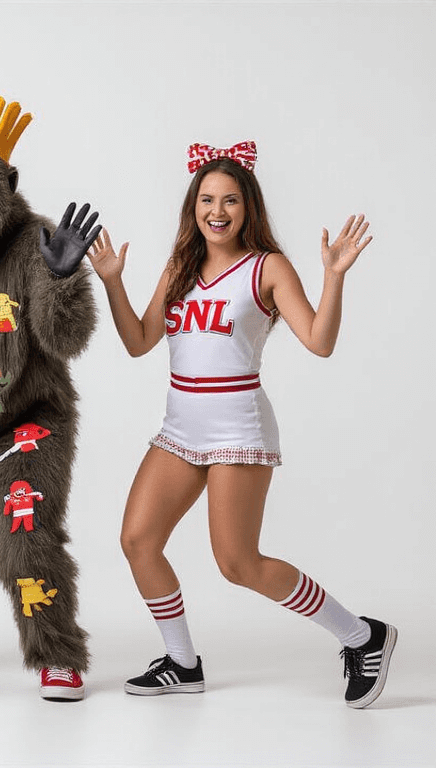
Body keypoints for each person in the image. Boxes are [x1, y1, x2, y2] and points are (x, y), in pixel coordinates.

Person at [86, 141, 395, 708]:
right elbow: (138, 343)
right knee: (138, 540)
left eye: (230, 200)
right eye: (207, 199)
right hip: (180, 428)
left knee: (237, 563)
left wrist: (334, 277)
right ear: (193, 206)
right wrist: (111, 281)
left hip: (238, 429)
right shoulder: (180, 266)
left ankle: (362, 635)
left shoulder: (267, 267)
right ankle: (183, 663)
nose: (218, 211)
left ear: (248, 207)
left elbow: (320, 343)